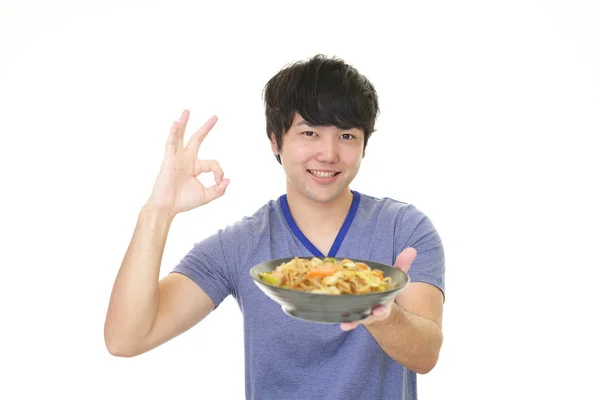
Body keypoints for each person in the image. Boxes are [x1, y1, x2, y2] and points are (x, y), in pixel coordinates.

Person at [104, 54, 445, 400]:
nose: (328, 153)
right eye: (309, 132)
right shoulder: (239, 246)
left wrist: (379, 312)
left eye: (346, 135)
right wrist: (157, 212)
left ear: (364, 145)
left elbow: (426, 354)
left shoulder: (404, 230)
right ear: (274, 139)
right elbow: (126, 339)